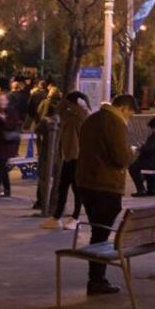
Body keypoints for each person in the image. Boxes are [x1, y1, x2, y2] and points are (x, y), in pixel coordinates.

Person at [74, 94, 137, 296]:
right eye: (130, 114)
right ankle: (97, 279)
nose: (128, 118)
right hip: (106, 185)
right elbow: (121, 158)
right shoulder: (114, 123)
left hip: (86, 182)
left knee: (97, 231)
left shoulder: (91, 119)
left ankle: (96, 278)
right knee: (101, 233)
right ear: (124, 108)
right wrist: (133, 153)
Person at [47, 91, 90, 226]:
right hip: (70, 156)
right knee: (64, 186)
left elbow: (73, 138)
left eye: (67, 102)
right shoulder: (74, 114)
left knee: (75, 188)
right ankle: (58, 216)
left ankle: (74, 217)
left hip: (75, 157)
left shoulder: (77, 115)